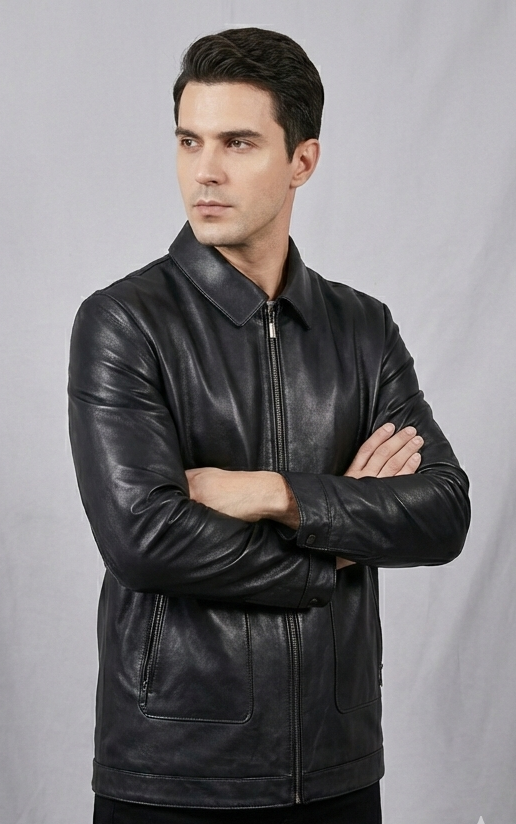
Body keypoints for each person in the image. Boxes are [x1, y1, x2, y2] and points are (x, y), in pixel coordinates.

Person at [68, 27, 470, 824]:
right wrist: (340, 547)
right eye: (189, 141)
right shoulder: (123, 322)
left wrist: (271, 493)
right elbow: (144, 539)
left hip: (335, 762)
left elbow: (441, 513)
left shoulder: (361, 328)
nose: (204, 171)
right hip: (174, 768)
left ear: (301, 161)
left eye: (238, 142)